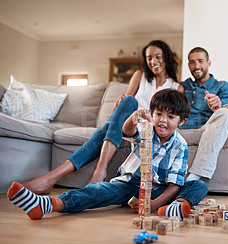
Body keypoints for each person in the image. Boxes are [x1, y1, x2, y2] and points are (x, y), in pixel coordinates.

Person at [7, 89, 208, 220]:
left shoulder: (180, 146)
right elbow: (128, 132)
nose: (163, 121)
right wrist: (132, 119)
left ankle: (176, 207)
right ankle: (48, 204)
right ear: (152, 113)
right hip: (128, 185)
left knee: (197, 185)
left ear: (182, 121)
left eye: (171, 117)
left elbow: (174, 184)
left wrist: (155, 203)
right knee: (97, 191)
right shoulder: (147, 130)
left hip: (157, 191)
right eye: (158, 115)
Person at [23, 40, 183, 194]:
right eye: (149, 57)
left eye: (158, 56)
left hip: (148, 130)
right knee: (128, 100)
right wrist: (123, 101)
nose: (153, 61)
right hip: (129, 124)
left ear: (166, 57)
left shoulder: (177, 87)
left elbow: (172, 118)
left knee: (106, 128)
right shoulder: (139, 76)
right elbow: (126, 105)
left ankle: (54, 177)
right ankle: (96, 170)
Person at [179, 47, 228, 181]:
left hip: (208, 128)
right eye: (192, 62)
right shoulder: (184, 86)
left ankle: (195, 175)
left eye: (200, 61)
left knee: (225, 114)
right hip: (180, 127)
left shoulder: (222, 86)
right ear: (188, 65)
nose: (196, 66)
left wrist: (219, 106)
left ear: (208, 63)